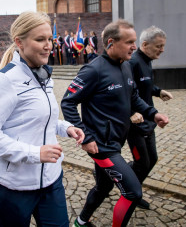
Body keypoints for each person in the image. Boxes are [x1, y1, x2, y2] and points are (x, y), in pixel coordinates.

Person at [0, 11, 87, 227]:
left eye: (50, 39)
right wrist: (34, 153)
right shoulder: (4, 80)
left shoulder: (45, 75)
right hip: (12, 187)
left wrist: (66, 128)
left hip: (51, 180)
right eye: (40, 40)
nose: (48, 46)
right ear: (19, 42)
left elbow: (39, 119)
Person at [61, 19, 169, 227]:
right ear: (111, 42)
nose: (134, 47)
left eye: (134, 41)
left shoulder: (127, 66)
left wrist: (153, 114)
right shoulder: (93, 70)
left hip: (116, 141)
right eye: (129, 42)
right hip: (101, 146)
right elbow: (68, 103)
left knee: (103, 188)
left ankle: (81, 222)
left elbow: (134, 98)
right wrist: (86, 136)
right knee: (133, 193)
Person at [127, 26, 173, 209]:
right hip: (135, 125)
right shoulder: (133, 62)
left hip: (149, 121)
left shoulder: (148, 61)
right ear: (145, 44)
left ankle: (118, 177)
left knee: (151, 160)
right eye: (158, 46)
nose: (162, 50)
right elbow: (127, 91)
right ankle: (132, 193)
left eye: (163, 46)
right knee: (142, 163)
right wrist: (131, 112)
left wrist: (158, 91)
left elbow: (146, 85)